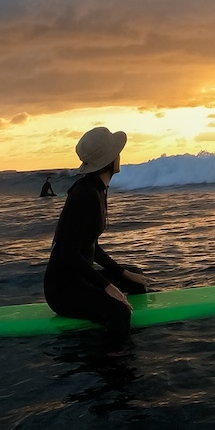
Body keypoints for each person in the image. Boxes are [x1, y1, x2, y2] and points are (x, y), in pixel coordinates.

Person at [43, 126, 151, 339]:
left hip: (79, 277)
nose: (120, 156)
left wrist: (121, 273)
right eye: (117, 152)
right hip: (62, 289)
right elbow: (68, 253)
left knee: (135, 279)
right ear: (110, 160)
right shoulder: (85, 195)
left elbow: (90, 244)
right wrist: (107, 286)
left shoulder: (97, 189)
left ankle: (134, 333)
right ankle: (113, 364)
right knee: (117, 312)